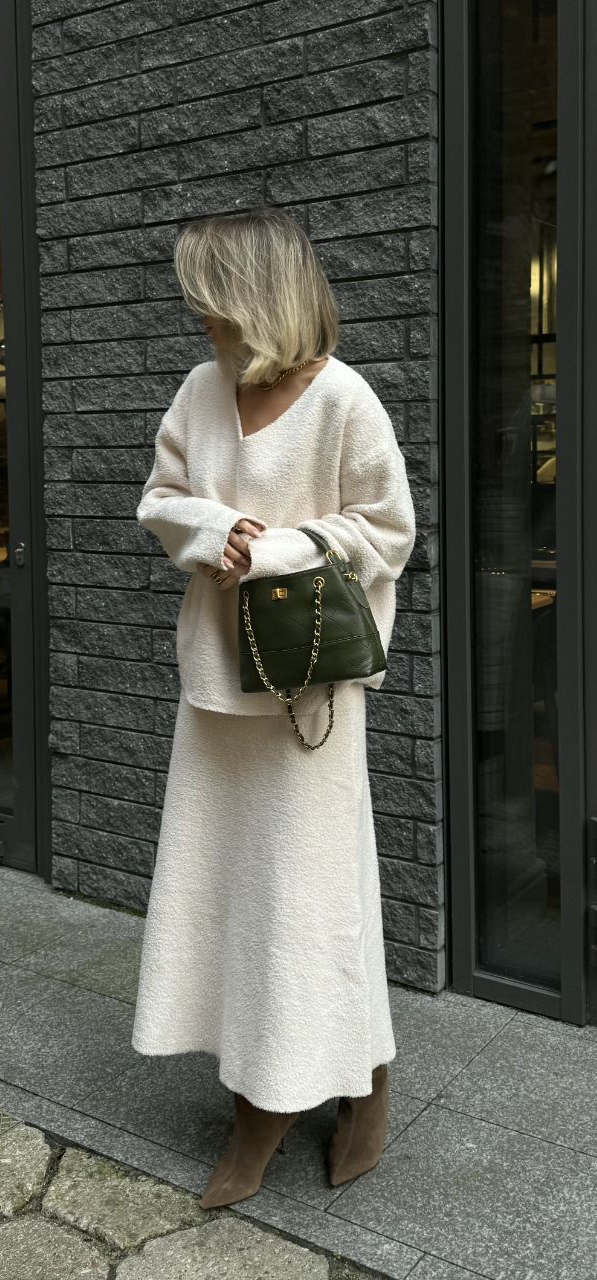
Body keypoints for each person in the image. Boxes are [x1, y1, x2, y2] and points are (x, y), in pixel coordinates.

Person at [130, 207, 417, 1209]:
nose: (202, 320)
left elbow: (389, 529)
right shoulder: (200, 390)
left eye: (213, 302)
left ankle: (312, 1096)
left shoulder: (343, 398)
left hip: (308, 698)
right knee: (230, 894)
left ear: (257, 299)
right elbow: (160, 498)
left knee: (309, 904)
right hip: (217, 688)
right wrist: (217, 529)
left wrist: (279, 551)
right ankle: (297, 1082)